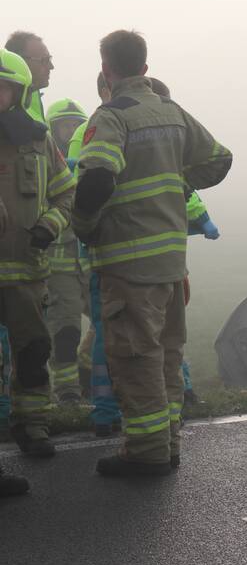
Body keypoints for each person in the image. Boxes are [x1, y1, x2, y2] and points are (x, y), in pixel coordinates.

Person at [72, 30, 232, 476]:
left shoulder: (111, 116)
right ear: (144, 67)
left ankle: (146, 452)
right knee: (166, 356)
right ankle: (167, 444)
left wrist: (84, 226)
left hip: (128, 263)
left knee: (135, 359)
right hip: (170, 263)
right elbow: (219, 159)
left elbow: (97, 178)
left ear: (107, 69)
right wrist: (176, 183)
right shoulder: (171, 112)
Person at [0, 49, 75, 460]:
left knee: (33, 353)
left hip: (27, 272)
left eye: (4, 87)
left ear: (20, 93)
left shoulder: (38, 140)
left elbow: (66, 193)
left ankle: (33, 427)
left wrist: (50, 224)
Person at [45, 99, 91, 404]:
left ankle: (87, 372)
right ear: (53, 129)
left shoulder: (90, 159)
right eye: (65, 125)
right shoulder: (43, 161)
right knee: (65, 330)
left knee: (110, 320)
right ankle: (68, 392)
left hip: (90, 259)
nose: (71, 130)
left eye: (76, 125)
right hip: (59, 265)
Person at [5, 32, 53, 124]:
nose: (51, 66)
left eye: (49, 59)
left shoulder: (31, 103)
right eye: (44, 60)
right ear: (20, 61)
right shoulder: (5, 106)